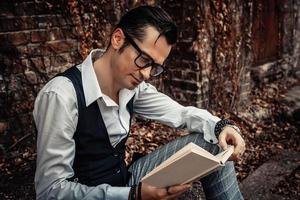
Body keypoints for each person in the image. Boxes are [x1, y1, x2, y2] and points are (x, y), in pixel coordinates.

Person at [33, 5, 246, 200]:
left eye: (154, 67)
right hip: (98, 195)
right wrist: (133, 195)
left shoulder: (132, 87)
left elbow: (180, 114)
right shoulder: (61, 96)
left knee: (215, 142)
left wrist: (223, 126)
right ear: (118, 39)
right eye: (144, 60)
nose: (146, 74)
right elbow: (51, 190)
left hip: (128, 182)